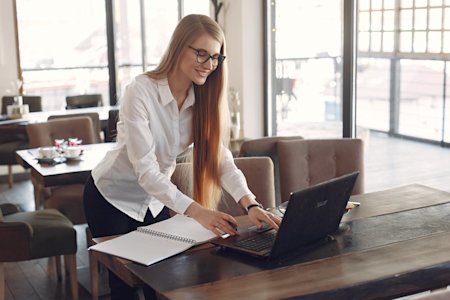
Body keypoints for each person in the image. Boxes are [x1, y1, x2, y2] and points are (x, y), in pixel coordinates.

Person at [83, 14, 281, 300]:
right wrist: (198, 211)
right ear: (178, 48)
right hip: (112, 197)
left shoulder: (203, 98)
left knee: (160, 281)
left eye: (215, 57)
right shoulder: (141, 91)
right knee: (124, 287)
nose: (209, 64)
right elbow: (147, 171)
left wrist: (250, 203)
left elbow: (220, 158)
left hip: (155, 200)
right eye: (201, 53)